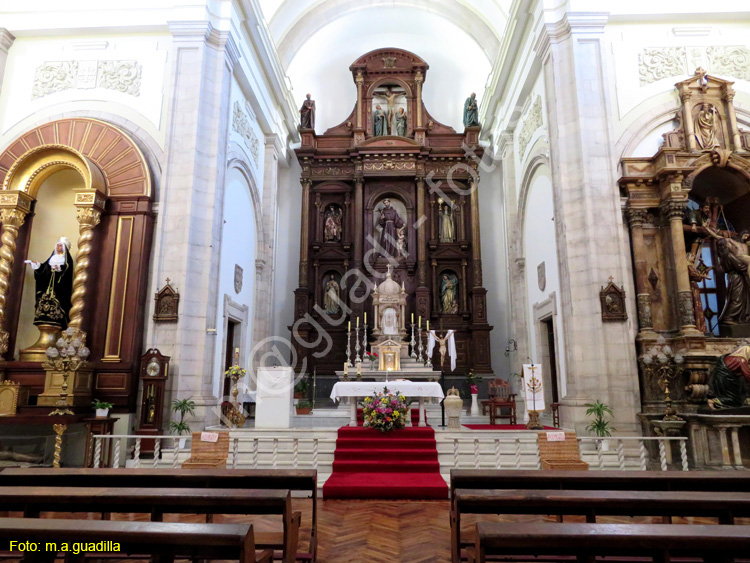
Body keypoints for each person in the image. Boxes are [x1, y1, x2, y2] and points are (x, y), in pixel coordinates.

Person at [25, 237, 74, 329]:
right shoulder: (52, 258)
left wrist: (59, 269)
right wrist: (37, 265)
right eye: (58, 245)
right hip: (47, 290)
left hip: (58, 290)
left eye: (61, 245)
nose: (59, 246)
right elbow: (44, 268)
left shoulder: (67, 261)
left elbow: (66, 272)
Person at [708, 345, 750, 409]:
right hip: (726, 381)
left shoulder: (729, 357)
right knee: (734, 400)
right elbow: (748, 375)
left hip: (719, 379)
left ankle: (718, 403)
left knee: (730, 396)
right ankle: (713, 401)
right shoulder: (741, 360)